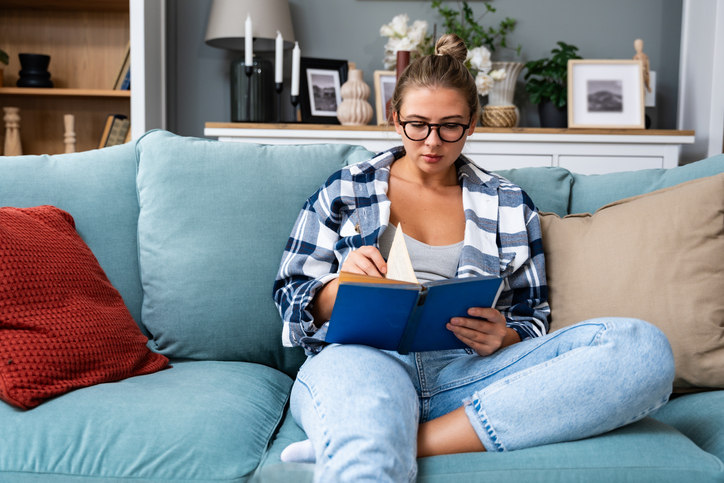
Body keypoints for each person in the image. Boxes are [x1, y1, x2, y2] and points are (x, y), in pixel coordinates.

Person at [273, 34, 674, 482]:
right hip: (362, 361)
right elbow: (290, 296)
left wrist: (504, 339)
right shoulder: (345, 189)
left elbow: (531, 314)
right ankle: (367, 433)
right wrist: (337, 289)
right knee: (364, 456)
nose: (432, 142)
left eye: (450, 126)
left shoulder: (507, 203)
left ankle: (396, 437)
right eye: (417, 124)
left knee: (642, 350)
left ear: (473, 123)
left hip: (471, 371)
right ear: (394, 117)